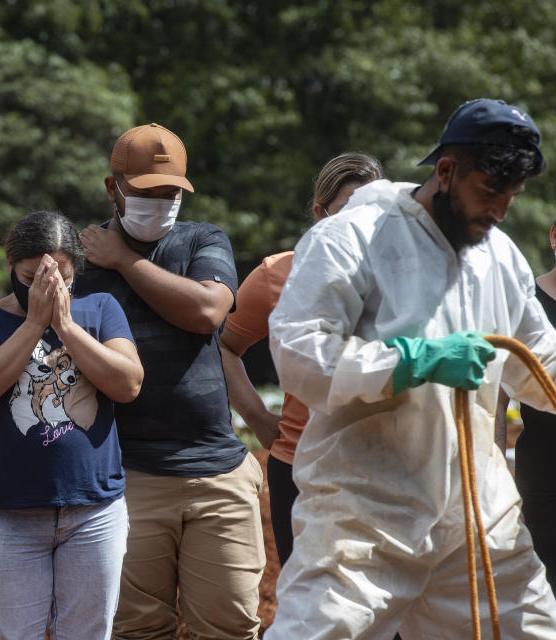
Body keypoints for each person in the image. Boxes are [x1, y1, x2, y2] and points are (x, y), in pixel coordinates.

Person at [0, 124, 265, 639]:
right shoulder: (78, 258)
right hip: (127, 475)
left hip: (215, 467)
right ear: (112, 188)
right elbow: (26, 300)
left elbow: (209, 311)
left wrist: (124, 260)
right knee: (137, 629)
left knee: (230, 624)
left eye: (170, 193)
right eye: (145, 192)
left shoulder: (201, 240)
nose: (160, 203)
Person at [266, 98, 556, 638]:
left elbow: (541, 360)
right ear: (446, 172)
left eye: (511, 197)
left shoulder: (500, 255)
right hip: (363, 514)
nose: (500, 211)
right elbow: (298, 353)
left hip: (479, 518)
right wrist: (411, 362)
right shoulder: (353, 237)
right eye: (490, 192)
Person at [0, 210, 143, 639]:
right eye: (30, 275)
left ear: (76, 270)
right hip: (10, 514)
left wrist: (65, 325)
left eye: (60, 274)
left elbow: (128, 383)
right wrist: (35, 324)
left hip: (94, 510)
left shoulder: (100, 309)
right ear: (11, 268)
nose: (47, 284)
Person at [220, 152, 384, 567]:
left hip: (384, 466)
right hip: (301, 468)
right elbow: (223, 347)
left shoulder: (406, 279)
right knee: (312, 608)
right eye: (347, 211)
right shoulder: (277, 274)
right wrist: (258, 419)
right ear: (319, 213)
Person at [512, 221, 556, 593]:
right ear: (554, 237)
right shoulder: (527, 301)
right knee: (545, 582)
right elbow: (496, 393)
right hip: (543, 468)